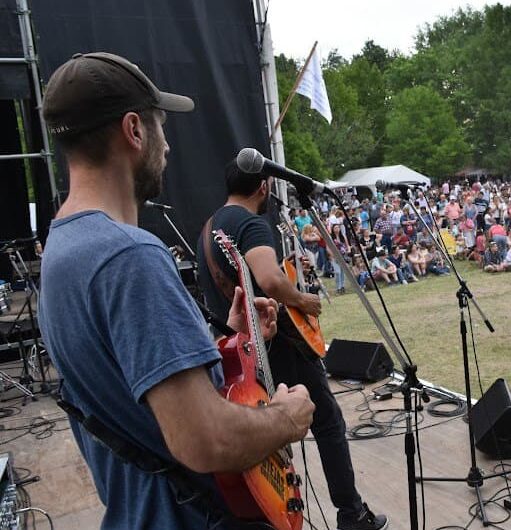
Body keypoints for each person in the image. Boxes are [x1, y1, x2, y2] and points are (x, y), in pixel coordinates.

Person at [38, 52, 314, 530]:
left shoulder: (62, 247)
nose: (166, 146)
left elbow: (126, 389)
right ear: (134, 131)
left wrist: (227, 342)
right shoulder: (128, 256)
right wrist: (288, 419)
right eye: (161, 125)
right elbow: (203, 439)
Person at [197, 163, 388, 530]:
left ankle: (276, 514)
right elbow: (268, 282)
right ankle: (352, 515)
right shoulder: (251, 223)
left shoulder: (209, 228)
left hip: (242, 350)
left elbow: (250, 278)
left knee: (265, 442)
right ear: (265, 187)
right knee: (328, 422)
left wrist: (288, 267)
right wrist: (302, 299)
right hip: (279, 343)